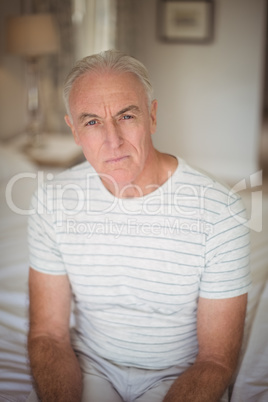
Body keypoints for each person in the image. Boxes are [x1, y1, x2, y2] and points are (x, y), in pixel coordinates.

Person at [27, 50, 250, 402]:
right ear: (74, 131)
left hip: (180, 375)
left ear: (153, 116)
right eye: (92, 122)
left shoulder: (222, 211)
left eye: (126, 116)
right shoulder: (51, 202)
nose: (112, 140)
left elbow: (215, 360)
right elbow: (48, 336)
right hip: (89, 368)